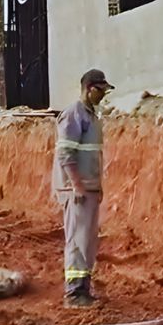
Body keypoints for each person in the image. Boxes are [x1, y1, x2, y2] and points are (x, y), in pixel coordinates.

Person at [52, 68, 113, 308]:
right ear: (89, 88)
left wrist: (96, 187)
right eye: (100, 91)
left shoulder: (92, 117)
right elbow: (65, 153)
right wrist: (76, 185)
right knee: (77, 240)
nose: (103, 96)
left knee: (87, 241)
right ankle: (74, 294)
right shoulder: (74, 115)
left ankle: (83, 289)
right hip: (76, 190)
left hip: (88, 188)